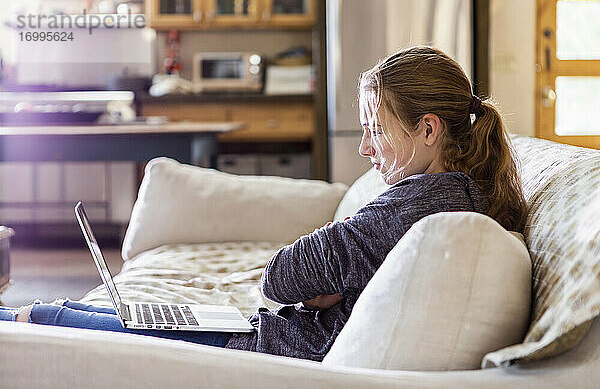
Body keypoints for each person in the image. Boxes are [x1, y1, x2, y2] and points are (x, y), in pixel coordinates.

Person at [0, 46, 527, 361]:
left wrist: (324, 284)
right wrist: (336, 287)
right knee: (76, 311)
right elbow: (340, 268)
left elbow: (281, 276)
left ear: (428, 129)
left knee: (50, 316)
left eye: (377, 131)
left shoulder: (415, 203)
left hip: (264, 352)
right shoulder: (460, 193)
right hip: (271, 333)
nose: (366, 149)